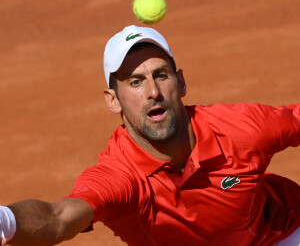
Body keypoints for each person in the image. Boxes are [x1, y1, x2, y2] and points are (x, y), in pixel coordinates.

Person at [0, 25, 299, 246]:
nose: (153, 92)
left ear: (180, 83)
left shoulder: (238, 128)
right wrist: (5, 222)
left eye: (161, 75)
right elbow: (58, 218)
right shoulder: (120, 178)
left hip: (281, 235)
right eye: (135, 82)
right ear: (113, 100)